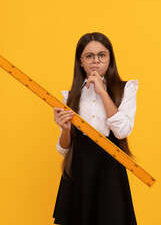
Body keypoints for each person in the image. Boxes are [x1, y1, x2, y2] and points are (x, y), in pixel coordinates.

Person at [52, 32, 138, 225]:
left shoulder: (127, 89)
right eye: (89, 56)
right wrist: (65, 129)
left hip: (110, 166)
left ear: (110, 59)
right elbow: (64, 149)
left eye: (102, 55)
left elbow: (122, 131)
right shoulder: (71, 95)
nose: (95, 61)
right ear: (80, 62)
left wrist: (101, 91)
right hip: (79, 168)